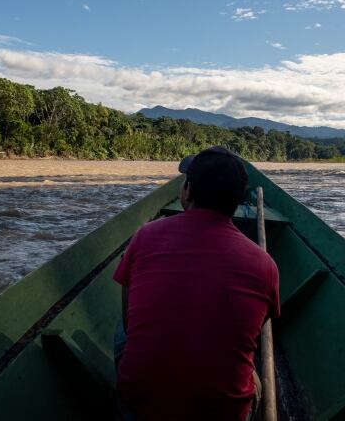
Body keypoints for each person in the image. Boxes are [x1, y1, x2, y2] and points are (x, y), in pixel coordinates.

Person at [112, 146, 280, 421]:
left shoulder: (145, 236)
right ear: (238, 200)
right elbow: (250, 335)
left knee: (122, 324)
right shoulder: (265, 265)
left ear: (187, 191)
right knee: (253, 374)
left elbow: (130, 323)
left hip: (140, 406)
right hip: (223, 412)